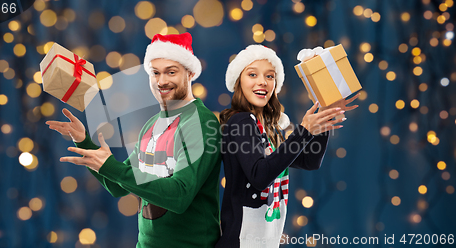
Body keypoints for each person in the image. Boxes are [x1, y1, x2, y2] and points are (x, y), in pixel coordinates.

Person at [46, 32, 222, 248]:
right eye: (155, 72)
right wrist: (84, 142)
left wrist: (112, 167)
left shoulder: (201, 123)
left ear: (190, 73)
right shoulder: (152, 124)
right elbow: (118, 185)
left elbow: (179, 196)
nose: (162, 81)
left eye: (171, 72)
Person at [215, 45, 359, 248]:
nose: (262, 82)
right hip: (241, 241)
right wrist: (305, 131)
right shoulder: (241, 122)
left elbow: (310, 161)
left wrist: (323, 118)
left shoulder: (268, 127)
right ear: (239, 81)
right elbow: (259, 176)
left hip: (265, 241)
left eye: (270, 76)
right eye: (252, 74)